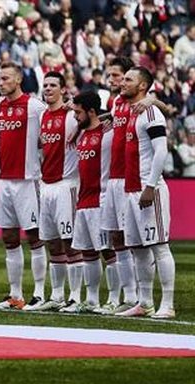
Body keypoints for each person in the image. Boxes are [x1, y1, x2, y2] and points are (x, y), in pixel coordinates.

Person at [116, 67, 175, 319]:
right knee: (139, 249)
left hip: (149, 188)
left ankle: (168, 304)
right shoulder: (131, 111)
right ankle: (145, 302)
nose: (122, 82)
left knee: (160, 247)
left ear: (142, 86)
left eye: (128, 79)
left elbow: (161, 150)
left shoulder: (150, 112)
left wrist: (150, 185)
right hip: (130, 189)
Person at [0, 62, 48, 311]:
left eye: (5, 78)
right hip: (4, 181)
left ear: (19, 80)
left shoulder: (35, 106)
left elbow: (51, 131)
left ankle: (39, 293)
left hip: (28, 180)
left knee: (34, 236)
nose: (1, 82)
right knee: (10, 237)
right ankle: (15, 294)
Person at [28, 71, 82, 312]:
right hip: (45, 184)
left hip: (66, 184)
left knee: (70, 242)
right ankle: (57, 295)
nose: (48, 89)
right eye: (45, 85)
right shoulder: (43, 117)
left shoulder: (71, 116)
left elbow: (95, 122)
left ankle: (76, 297)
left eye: (53, 85)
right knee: (52, 243)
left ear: (63, 90)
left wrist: (77, 108)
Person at [69, 91, 117, 314]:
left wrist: (109, 118)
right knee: (88, 253)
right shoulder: (81, 134)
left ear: (91, 111)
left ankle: (115, 299)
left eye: (78, 112)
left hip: (101, 200)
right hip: (83, 201)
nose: (75, 116)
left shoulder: (107, 133)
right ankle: (92, 300)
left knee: (108, 252)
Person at [100, 57, 139, 313]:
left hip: (130, 179)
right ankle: (126, 296)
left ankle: (138, 296)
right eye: (110, 75)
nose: (113, 80)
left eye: (118, 75)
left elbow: (159, 106)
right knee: (115, 238)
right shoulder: (114, 104)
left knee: (133, 239)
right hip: (111, 178)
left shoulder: (139, 101)